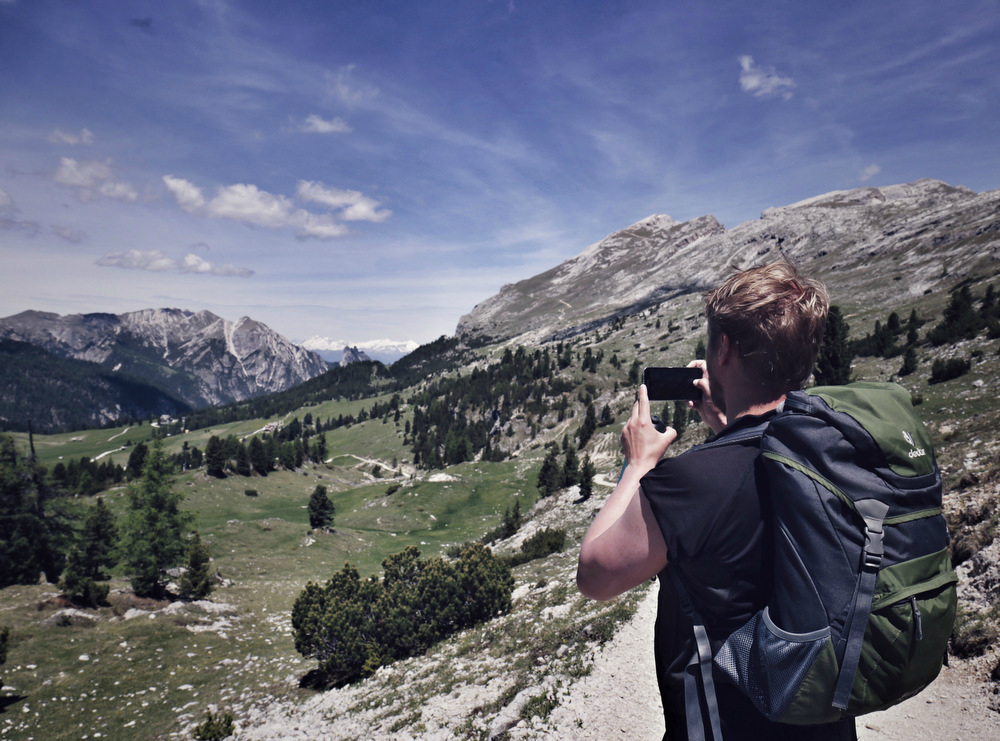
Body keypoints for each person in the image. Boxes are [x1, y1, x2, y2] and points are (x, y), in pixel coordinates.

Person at [577, 261, 856, 740]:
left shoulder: (694, 481)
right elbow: (765, 470)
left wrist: (639, 464)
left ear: (723, 348)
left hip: (731, 724)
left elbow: (595, 575)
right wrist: (729, 425)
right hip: (823, 717)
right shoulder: (834, 451)